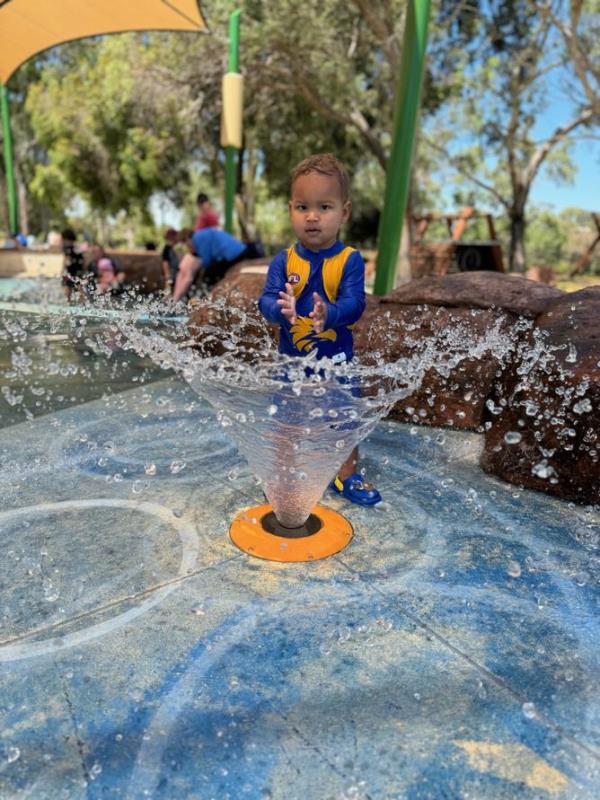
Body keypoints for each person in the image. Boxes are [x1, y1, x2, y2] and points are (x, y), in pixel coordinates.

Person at [258, 153, 381, 507]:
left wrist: (331, 314)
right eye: (302, 207)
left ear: (344, 212)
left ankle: (346, 476)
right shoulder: (284, 261)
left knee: (344, 419)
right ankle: (284, 475)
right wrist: (279, 311)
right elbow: (265, 301)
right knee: (286, 421)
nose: (312, 216)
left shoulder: (349, 260)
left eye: (324, 207)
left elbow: (357, 303)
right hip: (292, 363)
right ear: (290, 210)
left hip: (336, 360)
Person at [172, 228, 263, 303]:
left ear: (187, 238)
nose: (187, 247)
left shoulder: (198, 238)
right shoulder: (201, 235)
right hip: (238, 250)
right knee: (212, 272)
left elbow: (206, 260)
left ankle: (206, 300)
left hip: (233, 255)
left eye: (185, 243)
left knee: (208, 275)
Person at [61, 227, 86, 302]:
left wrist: (62, 270)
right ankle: (83, 304)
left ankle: (68, 303)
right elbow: (83, 259)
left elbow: (66, 260)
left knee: (67, 289)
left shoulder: (67, 247)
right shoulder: (77, 246)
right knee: (80, 288)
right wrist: (83, 269)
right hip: (78, 270)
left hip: (70, 270)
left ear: (66, 238)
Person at [161, 228, 180, 295]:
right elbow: (165, 262)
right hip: (170, 274)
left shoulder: (171, 249)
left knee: (171, 291)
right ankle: (165, 302)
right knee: (167, 291)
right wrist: (167, 274)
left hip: (173, 274)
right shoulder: (167, 248)